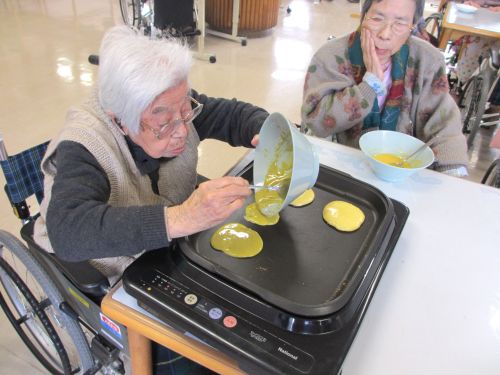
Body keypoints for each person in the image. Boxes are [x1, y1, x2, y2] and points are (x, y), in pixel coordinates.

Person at [33, 25, 269, 374]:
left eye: (185, 110)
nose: (183, 130)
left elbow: (229, 115)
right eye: (164, 124)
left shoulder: (169, 102)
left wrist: (266, 128)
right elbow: (68, 230)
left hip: (166, 247)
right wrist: (179, 219)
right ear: (121, 121)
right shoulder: (84, 145)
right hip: (112, 261)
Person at [301, 0, 469, 176]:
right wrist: (369, 85)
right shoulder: (330, 57)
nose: (385, 34)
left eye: (400, 23)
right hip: (343, 169)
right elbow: (316, 122)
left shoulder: (427, 60)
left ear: (413, 25)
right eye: (376, 18)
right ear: (363, 17)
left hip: (404, 171)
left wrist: (453, 172)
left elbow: (445, 125)